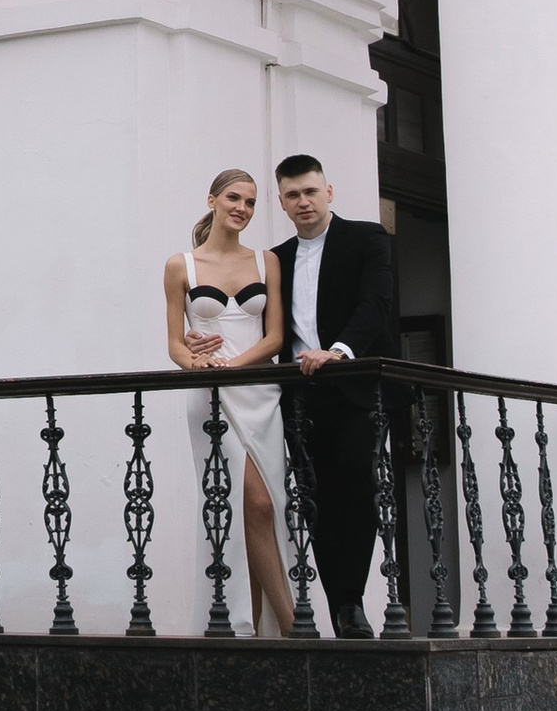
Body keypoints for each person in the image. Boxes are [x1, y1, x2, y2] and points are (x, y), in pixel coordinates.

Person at [161, 168, 295, 636]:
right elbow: (175, 345)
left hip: (259, 392)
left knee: (264, 505)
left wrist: (234, 367)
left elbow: (274, 336)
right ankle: (291, 626)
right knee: (241, 505)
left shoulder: (266, 263)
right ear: (213, 200)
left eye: (252, 202)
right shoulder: (182, 265)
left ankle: (261, 627)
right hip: (209, 398)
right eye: (234, 198)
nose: (242, 208)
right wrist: (195, 366)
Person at [269, 154, 399, 637]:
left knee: (356, 488)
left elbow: (376, 303)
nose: (303, 201)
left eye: (310, 191)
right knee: (313, 495)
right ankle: (338, 602)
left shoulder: (366, 238)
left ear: (329, 191)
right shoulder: (275, 259)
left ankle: (351, 602)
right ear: (282, 202)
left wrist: (340, 351)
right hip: (300, 395)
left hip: (354, 385)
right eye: (292, 195)